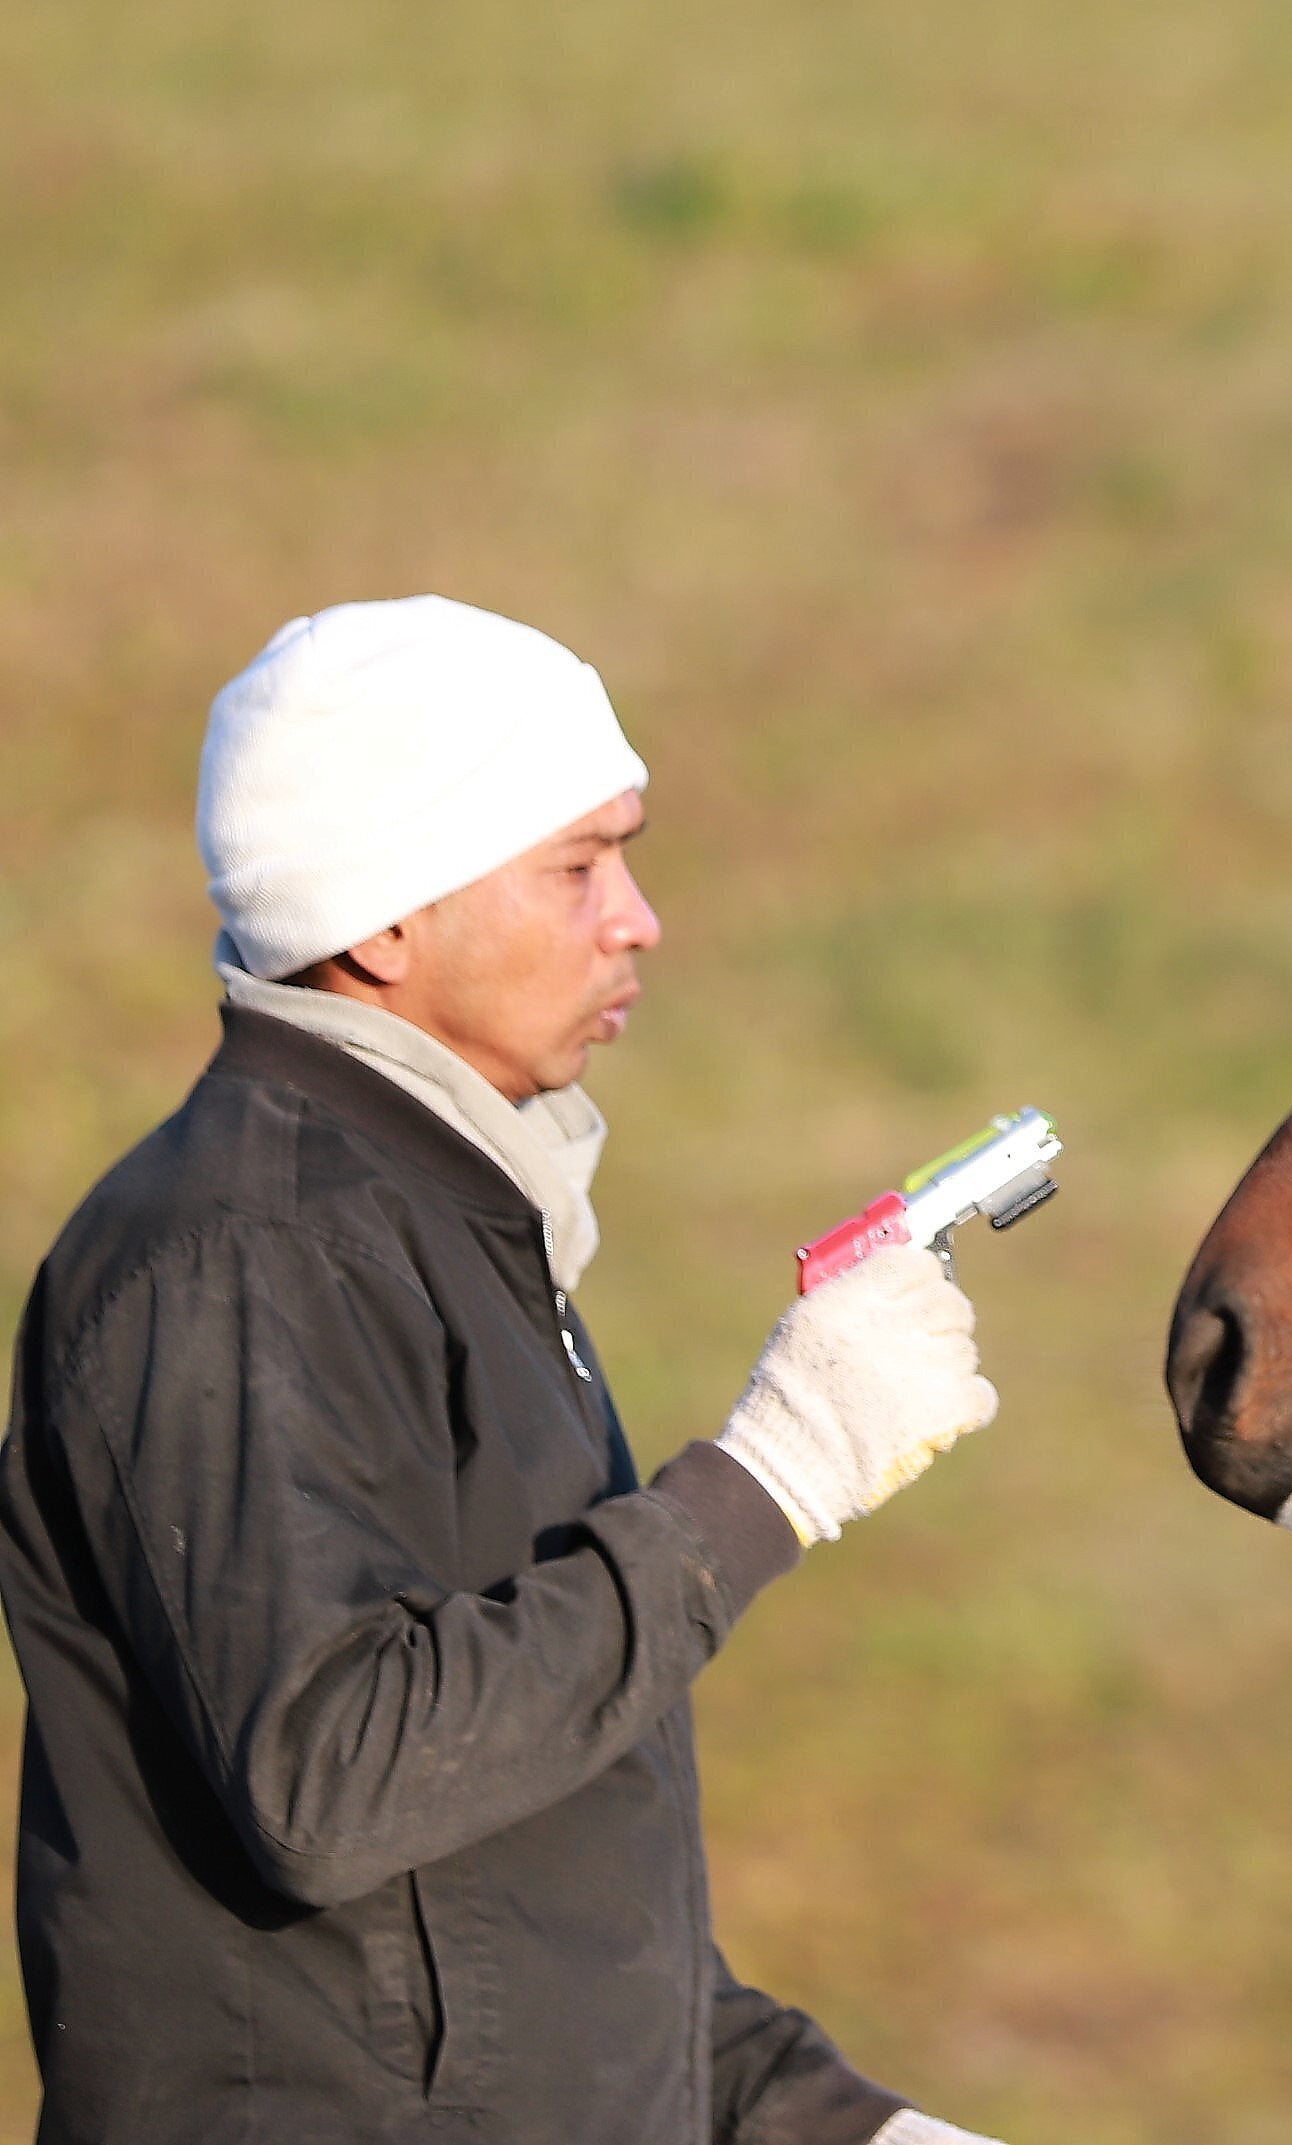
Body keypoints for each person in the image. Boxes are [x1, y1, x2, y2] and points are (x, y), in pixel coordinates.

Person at [1, 597, 1008, 2144]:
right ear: (384, 921)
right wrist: (771, 1477)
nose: (640, 918)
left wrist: (825, 2120)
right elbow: (330, 1780)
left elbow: (514, 1883)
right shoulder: (234, 1254)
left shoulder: (441, 1232)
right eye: (578, 865)